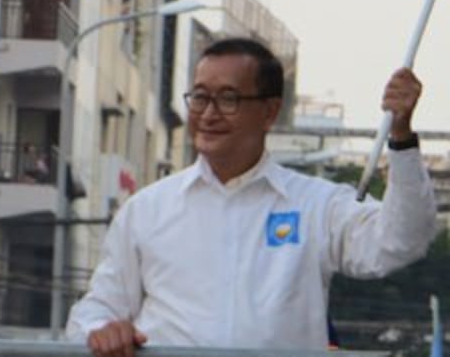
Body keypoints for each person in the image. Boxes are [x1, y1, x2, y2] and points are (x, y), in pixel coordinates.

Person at [66, 37, 436, 353]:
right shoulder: (146, 210)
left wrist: (401, 137)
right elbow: (93, 313)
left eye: (228, 99)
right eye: (199, 97)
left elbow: (401, 240)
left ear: (269, 111)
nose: (208, 114)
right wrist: (102, 331)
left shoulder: (314, 206)